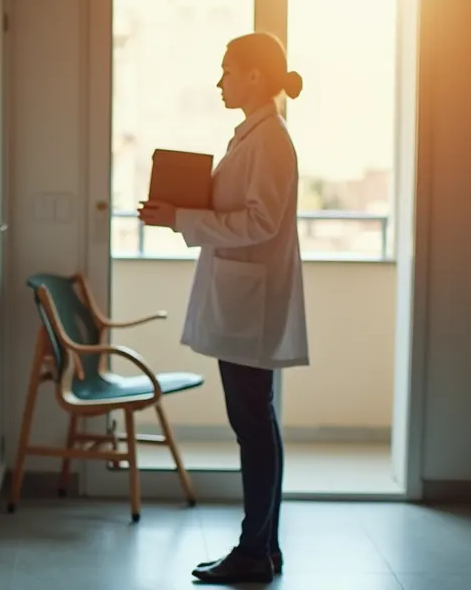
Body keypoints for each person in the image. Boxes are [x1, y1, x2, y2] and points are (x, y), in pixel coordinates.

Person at [137, 31, 310, 585]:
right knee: (256, 423)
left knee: (253, 425)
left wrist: (183, 219)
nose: (220, 81)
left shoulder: (271, 141)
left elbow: (261, 221)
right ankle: (264, 547)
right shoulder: (254, 136)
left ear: (255, 75)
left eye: (227, 70)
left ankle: (254, 551)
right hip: (244, 297)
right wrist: (181, 207)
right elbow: (238, 208)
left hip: (249, 304)